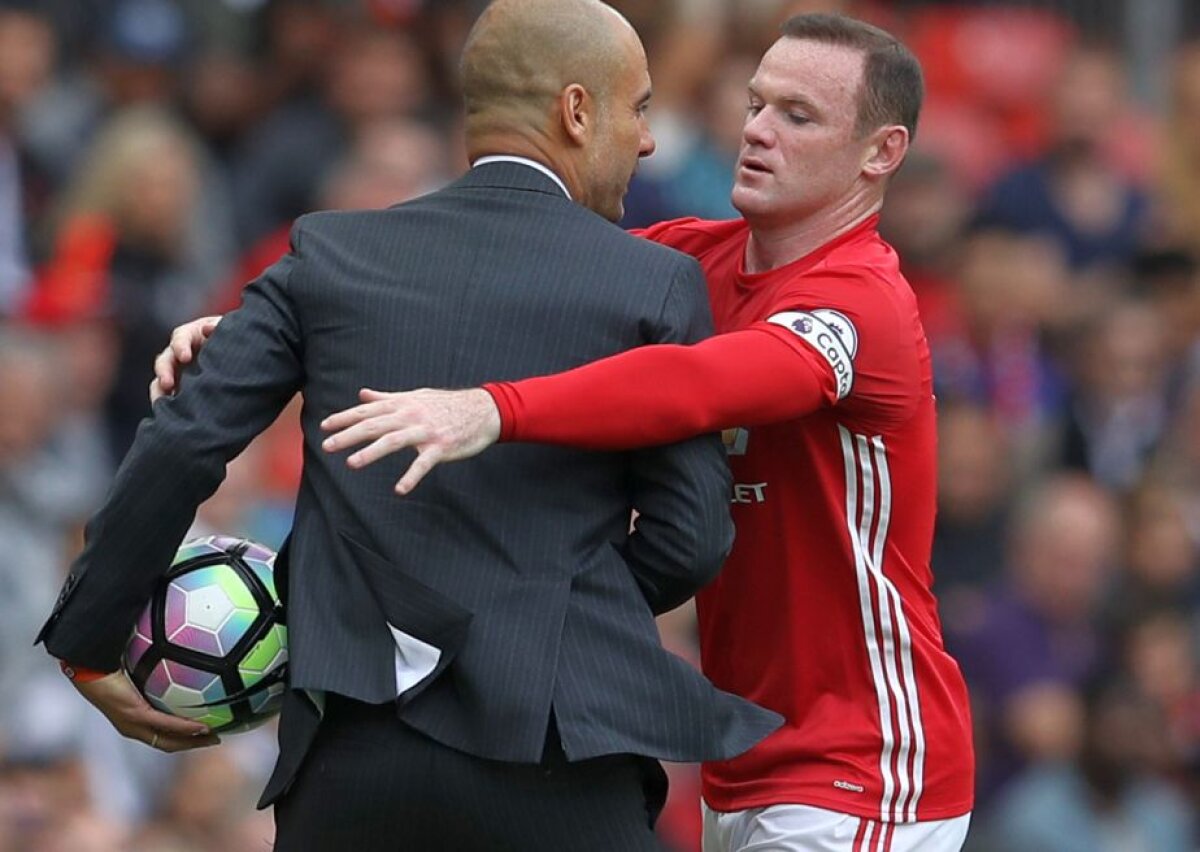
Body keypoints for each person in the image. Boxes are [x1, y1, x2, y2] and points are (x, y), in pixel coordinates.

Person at [159, 14, 977, 852]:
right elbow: (480, 279)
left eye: (798, 116)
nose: (758, 131)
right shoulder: (688, 264)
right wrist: (264, 329)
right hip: (752, 762)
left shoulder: (863, 302)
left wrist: (494, 408)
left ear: (881, 153)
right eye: (756, 103)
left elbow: (701, 384)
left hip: (867, 761)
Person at [38, 1, 783, 849]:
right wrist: (553, 609)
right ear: (577, 112)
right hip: (563, 756)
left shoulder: (328, 253)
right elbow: (690, 539)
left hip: (355, 764)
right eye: (640, 107)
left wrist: (91, 641)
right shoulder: (653, 284)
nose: (647, 140)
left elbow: (183, 441)